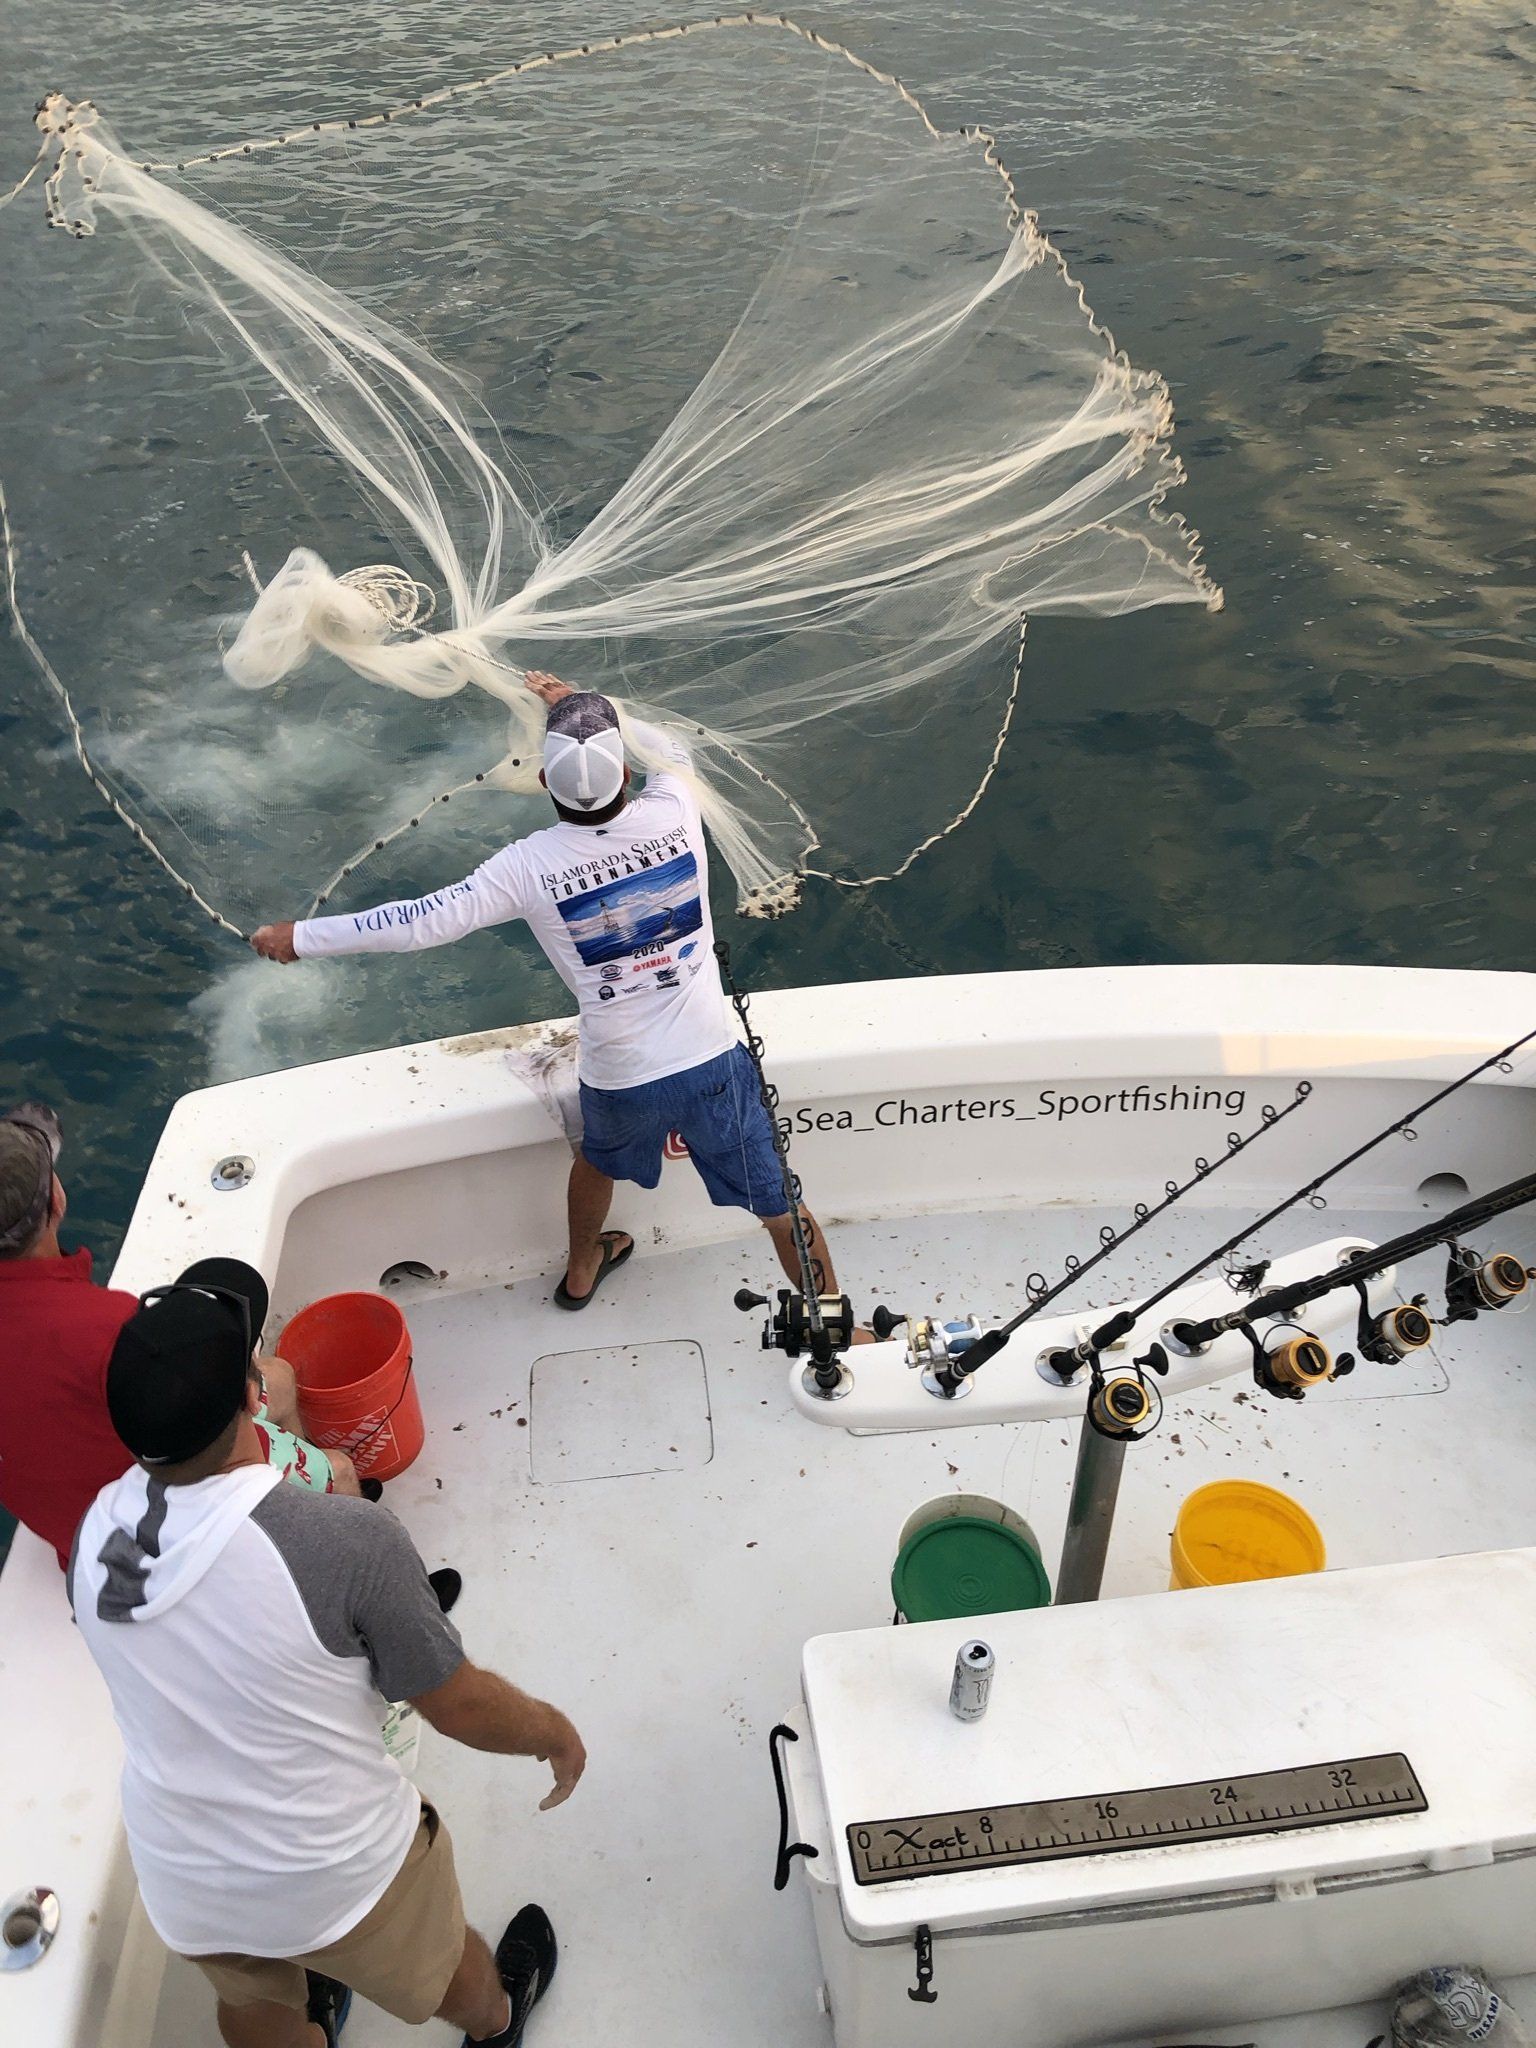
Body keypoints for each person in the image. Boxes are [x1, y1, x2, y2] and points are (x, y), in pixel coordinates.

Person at [71, 1278, 585, 2048]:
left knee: (255, 2003)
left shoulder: (94, 1535)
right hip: (333, 1873)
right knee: (450, 1971)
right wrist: (553, 1733)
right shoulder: (347, 1541)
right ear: (255, 1396)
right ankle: (499, 2021)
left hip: (185, 1877)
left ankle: (309, 2005)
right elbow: (460, 1707)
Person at [251, 672, 847, 1312]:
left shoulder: (525, 866)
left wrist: (304, 937)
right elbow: (672, 748)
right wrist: (579, 702)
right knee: (782, 1209)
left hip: (620, 1073)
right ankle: (838, 1329)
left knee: (596, 1159)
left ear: (542, 784)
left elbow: (419, 922)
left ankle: (582, 1270)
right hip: (711, 1064)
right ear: (623, 776)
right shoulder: (674, 807)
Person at [0, 1101, 364, 1571]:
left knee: (282, 1379)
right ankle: (358, 1573)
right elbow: (203, 1437)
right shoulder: (104, 1328)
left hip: (80, 1534)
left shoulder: (87, 1328)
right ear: (57, 1200)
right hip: (166, 1531)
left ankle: (298, 1501)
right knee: (341, 1469)